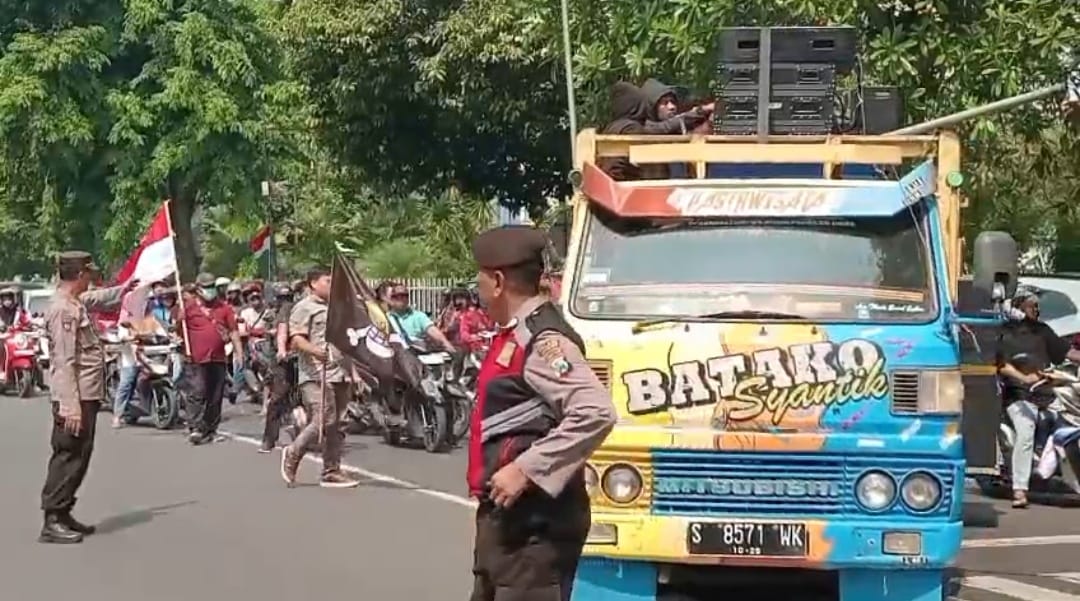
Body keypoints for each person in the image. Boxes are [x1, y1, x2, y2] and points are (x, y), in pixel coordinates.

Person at [467, 225, 617, 601]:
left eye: (481, 278)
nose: (479, 288)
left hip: (536, 526)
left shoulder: (544, 341)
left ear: (497, 281)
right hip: (508, 522)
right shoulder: (515, 335)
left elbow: (595, 411)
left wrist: (526, 468)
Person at [39, 251, 133, 543]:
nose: (91, 280)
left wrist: (126, 288)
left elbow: (98, 299)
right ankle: (52, 518)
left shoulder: (74, 302)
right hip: (75, 397)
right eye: (88, 275)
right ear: (80, 275)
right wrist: (70, 406)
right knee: (68, 455)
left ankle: (64, 512)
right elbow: (65, 361)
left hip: (86, 394)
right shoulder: (63, 310)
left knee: (81, 454)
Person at [996, 289, 1080, 508]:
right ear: (1019, 307)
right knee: (1026, 430)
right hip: (1020, 396)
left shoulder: (1043, 331)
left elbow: (1067, 353)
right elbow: (1001, 365)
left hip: (1048, 393)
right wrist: (1024, 378)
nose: (1037, 309)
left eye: (1037, 306)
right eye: (1032, 305)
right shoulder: (1004, 334)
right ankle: (1020, 489)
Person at [279, 267, 360, 488]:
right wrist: (315, 351)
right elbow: (296, 340)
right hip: (315, 373)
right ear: (313, 283)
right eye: (327, 281)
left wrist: (353, 373)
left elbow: (347, 342)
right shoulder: (304, 308)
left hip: (339, 373)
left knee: (338, 423)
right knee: (324, 418)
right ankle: (293, 453)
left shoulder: (338, 309)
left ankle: (331, 470)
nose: (331, 285)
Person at [178, 272, 243, 445]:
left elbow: (234, 331)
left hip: (218, 358)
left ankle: (210, 430)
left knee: (215, 396)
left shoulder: (224, 308)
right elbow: (178, 330)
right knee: (197, 391)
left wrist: (239, 353)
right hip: (196, 359)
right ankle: (195, 427)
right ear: (198, 289)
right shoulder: (188, 308)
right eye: (206, 287)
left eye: (211, 286)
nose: (210, 290)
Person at [260, 283, 300, 452]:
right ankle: (269, 439)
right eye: (283, 299)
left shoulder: (299, 310)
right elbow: (274, 334)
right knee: (278, 398)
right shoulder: (272, 314)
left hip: (302, 357)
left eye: (288, 298)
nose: (286, 302)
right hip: (281, 361)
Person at [385, 282, 455, 351]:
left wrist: (447, 345)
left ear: (408, 298)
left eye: (404, 295)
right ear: (391, 299)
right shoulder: (386, 318)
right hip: (396, 355)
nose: (401, 298)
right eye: (397, 296)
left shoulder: (418, 316)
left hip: (417, 355)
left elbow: (433, 331)